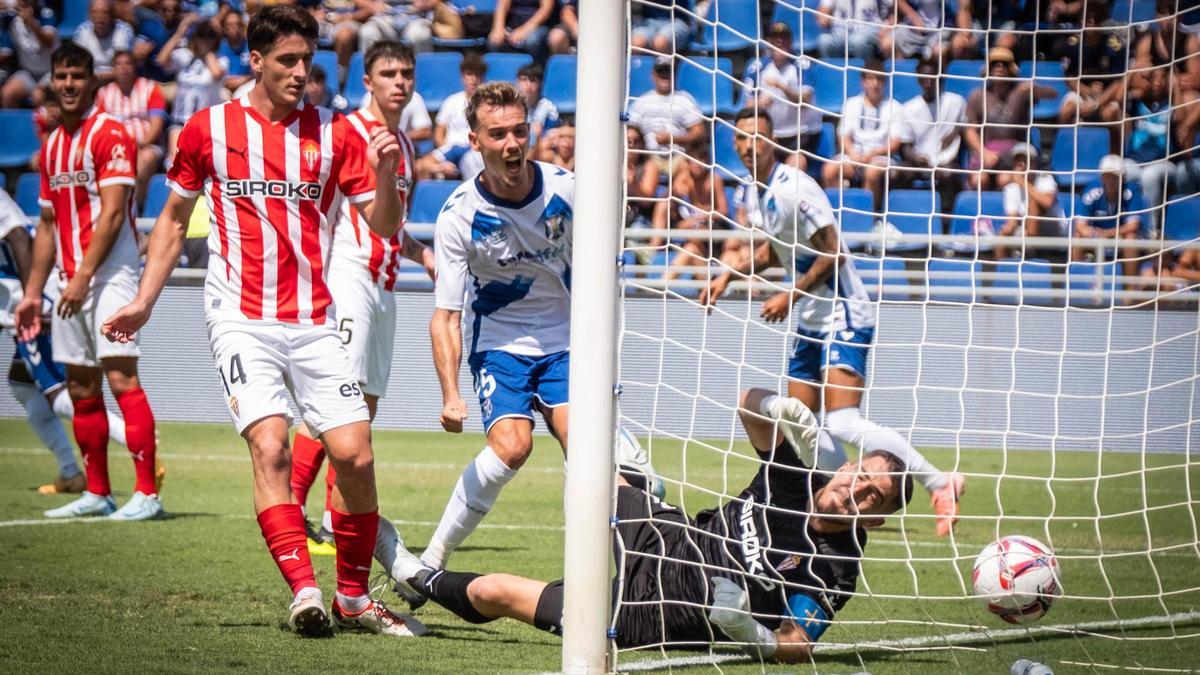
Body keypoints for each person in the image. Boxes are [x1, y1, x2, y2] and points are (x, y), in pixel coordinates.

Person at [100, 5, 419, 638]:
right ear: (255, 60)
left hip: (315, 318)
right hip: (240, 317)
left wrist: (387, 177)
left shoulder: (336, 132)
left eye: (308, 61)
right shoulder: (208, 128)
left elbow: (384, 226)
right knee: (271, 447)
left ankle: (354, 598)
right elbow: (172, 219)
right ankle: (305, 591)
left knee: (354, 457)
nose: (300, 72)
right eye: (287, 61)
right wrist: (144, 299)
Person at [377, 390, 912, 662]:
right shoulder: (797, 474)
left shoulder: (838, 566)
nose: (858, 492)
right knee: (591, 462)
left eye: (874, 497)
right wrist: (778, 408)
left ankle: (412, 574)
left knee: (494, 592)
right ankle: (618, 462)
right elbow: (747, 406)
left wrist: (749, 632)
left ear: (878, 517)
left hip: (652, 612)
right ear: (848, 466)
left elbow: (798, 644)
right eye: (861, 476)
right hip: (668, 535)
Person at [701, 108, 965, 536]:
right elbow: (775, 251)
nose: (750, 145)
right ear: (735, 143)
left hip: (843, 310)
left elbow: (834, 251)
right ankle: (834, 497)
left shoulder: (794, 188)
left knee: (842, 421)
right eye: (743, 138)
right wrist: (729, 274)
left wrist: (789, 294)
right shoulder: (757, 192)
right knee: (799, 421)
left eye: (758, 137)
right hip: (812, 316)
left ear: (773, 142)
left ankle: (940, 482)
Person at [422, 82, 574, 576]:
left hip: (567, 340)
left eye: (519, 131)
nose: (512, 144)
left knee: (585, 445)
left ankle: (602, 569)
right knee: (512, 445)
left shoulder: (567, 189)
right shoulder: (459, 214)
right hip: (500, 343)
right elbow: (446, 315)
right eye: (498, 134)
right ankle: (432, 562)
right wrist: (450, 395)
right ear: (475, 141)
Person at [289, 40, 436, 553]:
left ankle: (335, 521)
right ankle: (291, 508)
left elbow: (389, 223)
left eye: (407, 73)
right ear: (367, 81)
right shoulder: (345, 131)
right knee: (337, 402)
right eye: (389, 73)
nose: (400, 81)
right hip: (347, 277)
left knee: (364, 406)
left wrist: (423, 253)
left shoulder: (405, 145)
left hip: (385, 284)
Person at [13, 43, 161, 521]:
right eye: (62, 76)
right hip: (68, 281)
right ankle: (98, 491)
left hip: (111, 275)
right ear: (52, 83)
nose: (69, 84)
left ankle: (147, 494)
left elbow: (114, 213)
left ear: (92, 82)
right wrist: (32, 294)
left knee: (121, 376)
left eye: (77, 75)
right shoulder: (53, 144)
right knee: (80, 386)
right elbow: (48, 226)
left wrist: (82, 276)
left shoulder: (111, 133)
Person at [0, 189, 137, 495]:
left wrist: (33, 298)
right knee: (23, 386)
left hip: (35, 301)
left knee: (60, 393)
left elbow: (20, 237)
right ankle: (70, 473)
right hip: (20, 304)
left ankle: (138, 443)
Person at [964, 47, 1057, 190]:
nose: (1000, 67)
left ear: (1011, 68)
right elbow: (970, 131)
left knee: (1006, 180)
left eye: (1005, 64)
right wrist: (984, 153)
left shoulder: (1021, 92)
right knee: (979, 180)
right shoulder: (977, 95)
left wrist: (1034, 88)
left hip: (1014, 153)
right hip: (987, 151)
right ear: (988, 68)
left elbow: (1053, 94)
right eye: (995, 64)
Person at [821, 60, 905, 213]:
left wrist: (871, 154)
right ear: (863, 82)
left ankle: (869, 216)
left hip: (882, 158)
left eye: (879, 79)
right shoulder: (851, 104)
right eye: (871, 79)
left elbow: (895, 143)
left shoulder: (895, 107)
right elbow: (843, 135)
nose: (875, 84)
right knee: (829, 169)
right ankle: (840, 213)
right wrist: (853, 154)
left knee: (872, 172)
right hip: (855, 155)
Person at [893, 58, 967, 213]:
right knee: (898, 172)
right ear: (918, 79)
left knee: (948, 173)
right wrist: (915, 158)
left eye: (932, 78)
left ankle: (946, 217)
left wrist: (955, 132)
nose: (928, 82)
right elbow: (905, 146)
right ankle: (904, 212)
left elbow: (967, 126)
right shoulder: (909, 108)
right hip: (919, 161)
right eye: (924, 78)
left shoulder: (956, 102)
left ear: (940, 78)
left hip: (945, 161)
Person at [742, 22, 821, 168]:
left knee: (796, 165)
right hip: (771, 135)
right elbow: (747, 104)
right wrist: (759, 103)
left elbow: (805, 100)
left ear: (790, 41)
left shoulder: (802, 64)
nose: (779, 42)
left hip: (800, 134)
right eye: (775, 38)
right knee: (762, 164)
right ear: (768, 42)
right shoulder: (757, 66)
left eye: (783, 38)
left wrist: (782, 87)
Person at [96, 50, 168, 207]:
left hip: (146, 146)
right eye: (118, 64)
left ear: (135, 67)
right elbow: (99, 126)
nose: (123, 68)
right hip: (114, 148)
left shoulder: (150, 88)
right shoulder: (103, 93)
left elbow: (156, 125)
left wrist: (138, 146)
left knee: (143, 162)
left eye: (128, 64)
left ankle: (136, 208)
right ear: (113, 68)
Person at [650, 136, 727, 281]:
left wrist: (697, 218)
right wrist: (674, 189)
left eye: (701, 160)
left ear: (707, 161)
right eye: (693, 160)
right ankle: (654, 256)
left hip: (710, 229)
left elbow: (723, 211)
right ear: (687, 162)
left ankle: (659, 287)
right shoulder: (685, 177)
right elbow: (666, 199)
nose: (697, 165)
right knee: (690, 248)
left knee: (693, 235)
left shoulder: (714, 179)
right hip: (693, 241)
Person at [158, 15, 226, 166]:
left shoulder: (221, 60)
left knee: (202, 165)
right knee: (175, 164)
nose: (205, 39)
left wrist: (206, 50)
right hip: (180, 121)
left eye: (209, 36)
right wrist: (180, 32)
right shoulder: (184, 57)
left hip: (206, 125)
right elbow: (162, 60)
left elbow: (216, 73)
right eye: (201, 35)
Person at [1074, 155, 1149, 281]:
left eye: (1115, 176)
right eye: (1107, 176)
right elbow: (1080, 225)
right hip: (1097, 236)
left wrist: (1107, 233)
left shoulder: (1131, 192)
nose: (1111, 180)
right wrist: (1090, 232)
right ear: (1101, 178)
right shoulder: (1092, 190)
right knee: (1077, 237)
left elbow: (1133, 226)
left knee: (1130, 239)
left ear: (1123, 178)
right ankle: (1077, 285)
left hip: (1120, 237)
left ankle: (1129, 290)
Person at [626, 57, 706, 174]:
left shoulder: (685, 100)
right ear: (653, 75)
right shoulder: (641, 102)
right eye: (661, 72)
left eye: (668, 72)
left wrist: (673, 139)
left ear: (675, 75)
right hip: (649, 156)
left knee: (688, 168)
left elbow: (700, 132)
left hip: (679, 157)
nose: (665, 76)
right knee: (648, 166)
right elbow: (630, 130)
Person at [995, 143, 1068, 262]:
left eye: (1025, 160)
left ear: (1034, 163)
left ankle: (1030, 251)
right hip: (1026, 231)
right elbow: (1012, 218)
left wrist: (1022, 182)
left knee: (1034, 201)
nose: (1021, 165)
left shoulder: (1045, 178)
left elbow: (1047, 202)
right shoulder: (1012, 187)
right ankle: (1002, 270)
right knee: (1002, 238)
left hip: (1052, 230)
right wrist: (1007, 229)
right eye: (1018, 161)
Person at [418, 53, 486, 179]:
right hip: (451, 148)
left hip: (475, 150)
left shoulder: (488, 104)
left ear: (483, 78)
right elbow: (439, 133)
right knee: (422, 166)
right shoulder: (451, 101)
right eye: (469, 74)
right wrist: (445, 155)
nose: (473, 79)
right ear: (462, 77)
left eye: (477, 75)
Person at [0, 0, 61, 108]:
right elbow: (6, 52)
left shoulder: (46, 13)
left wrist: (31, 23)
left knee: (39, 96)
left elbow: (49, 42)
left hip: (50, 72)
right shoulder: (9, 18)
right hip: (27, 72)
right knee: (7, 94)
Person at [359, 0, 463, 55]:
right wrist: (371, 5)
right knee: (368, 32)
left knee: (420, 35)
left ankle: (421, 79)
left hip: (417, 17)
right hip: (384, 17)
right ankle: (371, 81)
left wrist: (428, 2)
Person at [73, 0, 141, 80]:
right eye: (95, 12)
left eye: (105, 13)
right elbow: (78, 67)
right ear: (89, 15)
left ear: (113, 16)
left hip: (116, 81)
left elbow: (122, 70)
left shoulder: (124, 31)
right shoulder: (82, 32)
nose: (100, 17)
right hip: (91, 80)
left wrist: (98, 77)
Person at [817, 0, 889, 60]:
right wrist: (823, 16)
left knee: (857, 41)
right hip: (841, 27)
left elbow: (892, 8)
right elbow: (824, 8)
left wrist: (886, 29)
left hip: (870, 27)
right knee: (824, 41)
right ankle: (833, 71)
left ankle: (864, 71)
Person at [488, 0, 555, 60]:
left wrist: (524, 30)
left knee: (532, 41)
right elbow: (503, 5)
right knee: (494, 41)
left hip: (538, 26)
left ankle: (536, 68)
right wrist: (498, 28)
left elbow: (546, 9)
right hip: (514, 24)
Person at [516, 63, 559, 147]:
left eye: (533, 80)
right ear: (517, 82)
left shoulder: (548, 107)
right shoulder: (510, 106)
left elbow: (551, 135)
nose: (528, 85)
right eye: (524, 80)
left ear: (540, 84)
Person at [218, 10, 252, 92]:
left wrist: (245, 79)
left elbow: (257, 73)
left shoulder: (251, 45)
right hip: (223, 86)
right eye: (229, 25)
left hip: (246, 85)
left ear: (243, 26)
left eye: (237, 24)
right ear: (224, 28)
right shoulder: (217, 46)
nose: (234, 27)